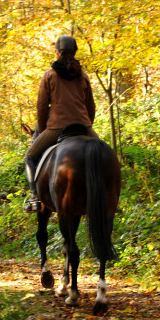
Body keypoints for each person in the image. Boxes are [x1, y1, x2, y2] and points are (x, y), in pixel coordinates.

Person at [24, 35, 99, 212]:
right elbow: (91, 105)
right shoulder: (84, 76)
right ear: (75, 53)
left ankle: (35, 197)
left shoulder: (49, 75)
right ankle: (109, 195)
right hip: (83, 126)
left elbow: (42, 106)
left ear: (57, 53)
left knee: (30, 156)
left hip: (57, 127)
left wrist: (42, 131)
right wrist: (87, 125)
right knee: (106, 153)